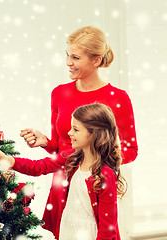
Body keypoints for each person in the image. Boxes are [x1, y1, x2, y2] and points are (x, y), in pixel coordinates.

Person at [19, 26, 138, 238]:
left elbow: (131, 149)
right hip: (63, 186)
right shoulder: (59, 93)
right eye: (67, 55)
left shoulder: (118, 98)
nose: (68, 63)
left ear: (97, 60)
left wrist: (98, 165)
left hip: (94, 188)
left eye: (75, 57)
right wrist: (46, 142)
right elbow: (61, 146)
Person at [0, 103, 126, 239]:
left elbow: (108, 230)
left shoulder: (105, 176)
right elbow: (39, 167)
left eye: (76, 130)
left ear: (94, 134)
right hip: (68, 229)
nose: (69, 133)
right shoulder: (73, 157)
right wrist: (6, 159)